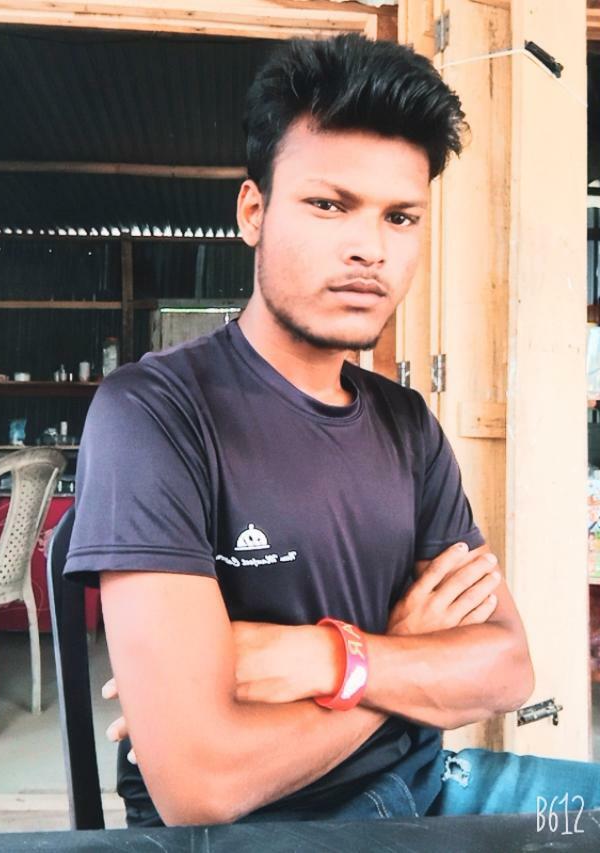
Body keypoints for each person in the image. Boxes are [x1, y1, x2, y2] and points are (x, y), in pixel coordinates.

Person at [64, 34, 600, 826]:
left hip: (431, 781)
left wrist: (319, 655)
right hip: (270, 826)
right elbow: (200, 784)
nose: (369, 249)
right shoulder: (155, 414)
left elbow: (506, 667)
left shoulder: (407, 424)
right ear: (254, 212)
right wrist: (392, 654)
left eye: (400, 217)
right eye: (329, 204)